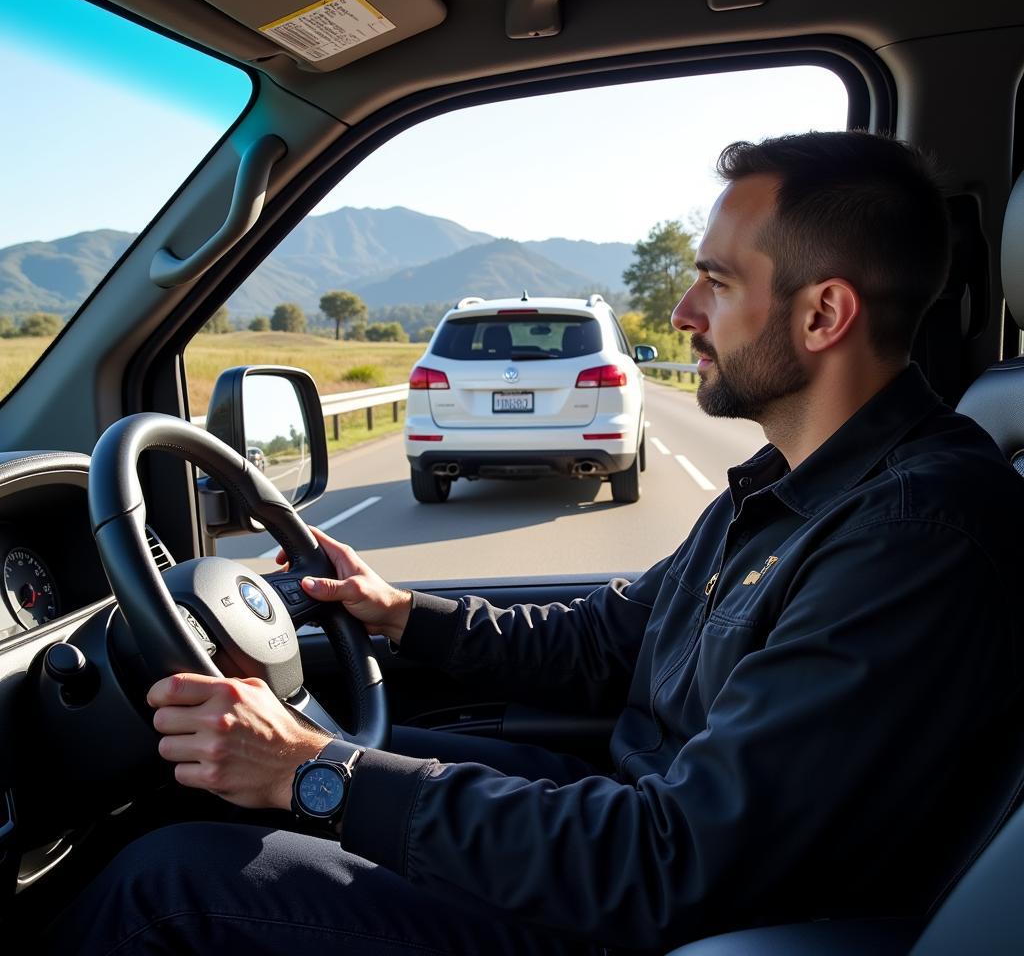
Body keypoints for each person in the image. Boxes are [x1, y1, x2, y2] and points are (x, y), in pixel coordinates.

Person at [45, 131, 1024, 954]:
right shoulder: (788, 486)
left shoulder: (913, 532)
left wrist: (314, 767)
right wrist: (398, 615)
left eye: (716, 284)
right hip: (620, 816)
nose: (682, 314)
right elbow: (609, 635)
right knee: (213, 794)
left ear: (823, 314)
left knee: (163, 882)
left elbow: (679, 859)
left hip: (649, 910)